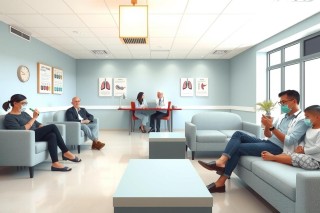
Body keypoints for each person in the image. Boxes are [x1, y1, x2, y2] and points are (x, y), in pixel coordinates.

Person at [198, 90, 308, 193]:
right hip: (268, 142)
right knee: (238, 134)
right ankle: (221, 161)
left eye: (284, 102)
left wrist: (272, 127)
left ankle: (221, 182)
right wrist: (266, 126)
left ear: (294, 101)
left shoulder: (302, 120)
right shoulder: (283, 117)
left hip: (279, 149)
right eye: (280, 103)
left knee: (238, 148)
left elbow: (289, 141)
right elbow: (268, 135)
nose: (282, 105)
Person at [2, 94, 81, 172]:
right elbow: (21, 131)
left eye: (26, 103)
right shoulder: (9, 117)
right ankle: (66, 152)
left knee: (52, 135)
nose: (25, 105)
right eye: (23, 103)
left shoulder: (24, 114)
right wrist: (34, 117)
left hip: (34, 134)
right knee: (52, 126)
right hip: (26, 137)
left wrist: (42, 127)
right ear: (15, 103)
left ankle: (55, 164)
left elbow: (36, 123)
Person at [261, 105, 320, 170]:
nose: (305, 119)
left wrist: (304, 151)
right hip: (305, 154)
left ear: (318, 117)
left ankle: (273, 157)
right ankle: (277, 158)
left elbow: (318, 147)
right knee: (288, 154)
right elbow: (304, 140)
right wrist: (300, 146)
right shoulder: (310, 128)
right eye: (305, 116)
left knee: (297, 157)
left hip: (316, 160)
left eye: (307, 117)